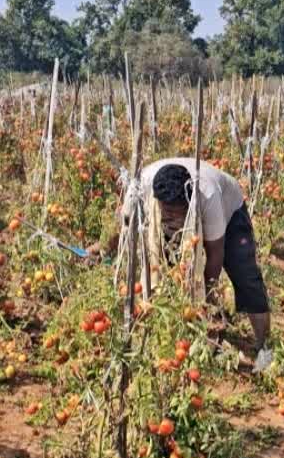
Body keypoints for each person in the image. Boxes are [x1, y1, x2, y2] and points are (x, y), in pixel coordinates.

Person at [87, 158, 273, 371]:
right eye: (168, 216)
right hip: (165, 212)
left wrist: (207, 300)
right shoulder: (139, 190)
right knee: (167, 273)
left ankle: (263, 346)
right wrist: (101, 249)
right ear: (158, 204)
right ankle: (171, 335)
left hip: (230, 210)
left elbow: (215, 255)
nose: (174, 222)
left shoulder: (208, 197)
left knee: (245, 273)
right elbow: (124, 226)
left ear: (189, 202)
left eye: (179, 216)